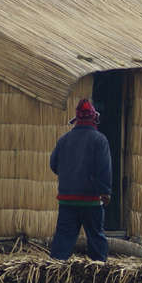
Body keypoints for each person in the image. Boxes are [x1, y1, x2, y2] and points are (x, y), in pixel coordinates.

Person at [49, 99, 112, 261]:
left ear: (76, 120)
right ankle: (99, 273)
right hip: (91, 200)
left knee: (63, 237)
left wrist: (68, 177)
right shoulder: (99, 139)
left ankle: (54, 272)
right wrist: (105, 192)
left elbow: (54, 164)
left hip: (67, 200)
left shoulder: (64, 140)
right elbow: (104, 168)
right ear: (94, 119)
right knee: (96, 237)